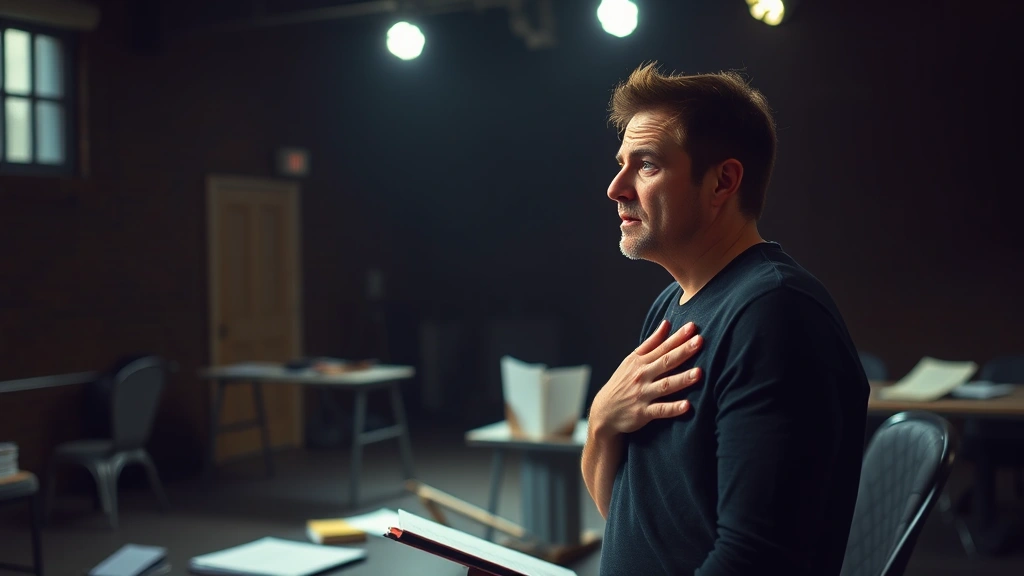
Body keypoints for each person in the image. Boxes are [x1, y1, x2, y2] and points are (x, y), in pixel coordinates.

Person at [581, 63, 870, 575]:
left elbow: (755, 561)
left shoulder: (776, 314)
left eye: (645, 165)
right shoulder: (670, 305)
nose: (615, 188)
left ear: (723, 182)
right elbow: (633, 518)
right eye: (621, 164)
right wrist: (603, 422)